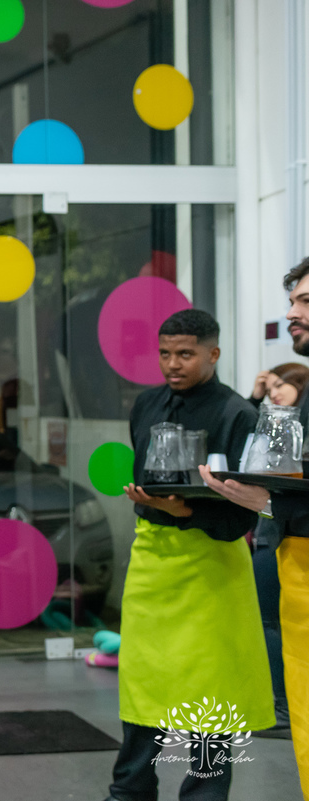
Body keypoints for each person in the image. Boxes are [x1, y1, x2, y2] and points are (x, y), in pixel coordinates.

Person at [106, 309, 274, 801]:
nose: (172, 364)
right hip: (152, 562)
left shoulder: (238, 414)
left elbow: (244, 516)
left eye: (185, 354)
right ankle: (129, 791)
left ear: (213, 354)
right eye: (164, 354)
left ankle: (205, 796)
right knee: (142, 691)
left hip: (213, 566)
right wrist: (157, 506)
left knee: (210, 700)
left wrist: (183, 512)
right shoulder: (145, 404)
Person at [200, 257, 309, 800]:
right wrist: (264, 501)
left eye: (305, 301)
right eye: (292, 301)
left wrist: (265, 501)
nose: (292, 313)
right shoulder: (296, 407)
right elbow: (286, 478)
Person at [246, 362, 307, 735]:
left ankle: (283, 708)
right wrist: (255, 397)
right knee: (269, 619)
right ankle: (279, 703)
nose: (274, 392)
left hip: (288, 528)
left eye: (282, 384)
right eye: (270, 388)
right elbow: (247, 450)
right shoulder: (276, 426)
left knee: (273, 622)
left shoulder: (298, 429)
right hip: (271, 527)